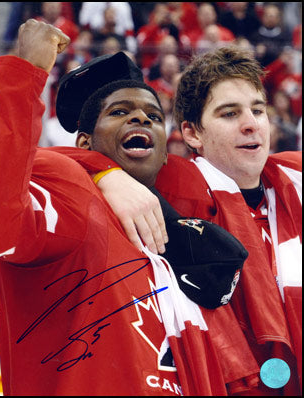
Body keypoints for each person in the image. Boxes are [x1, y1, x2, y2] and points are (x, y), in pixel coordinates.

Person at [0, 19, 248, 396]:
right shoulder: (69, 191)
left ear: (164, 155)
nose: (141, 118)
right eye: (119, 112)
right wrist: (27, 72)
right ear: (83, 143)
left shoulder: (173, 247)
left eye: (154, 116)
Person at [94, 46, 302, 396]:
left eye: (257, 110)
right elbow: (48, 165)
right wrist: (105, 174)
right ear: (192, 134)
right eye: (229, 114)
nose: (251, 124)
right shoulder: (169, 183)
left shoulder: (294, 178)